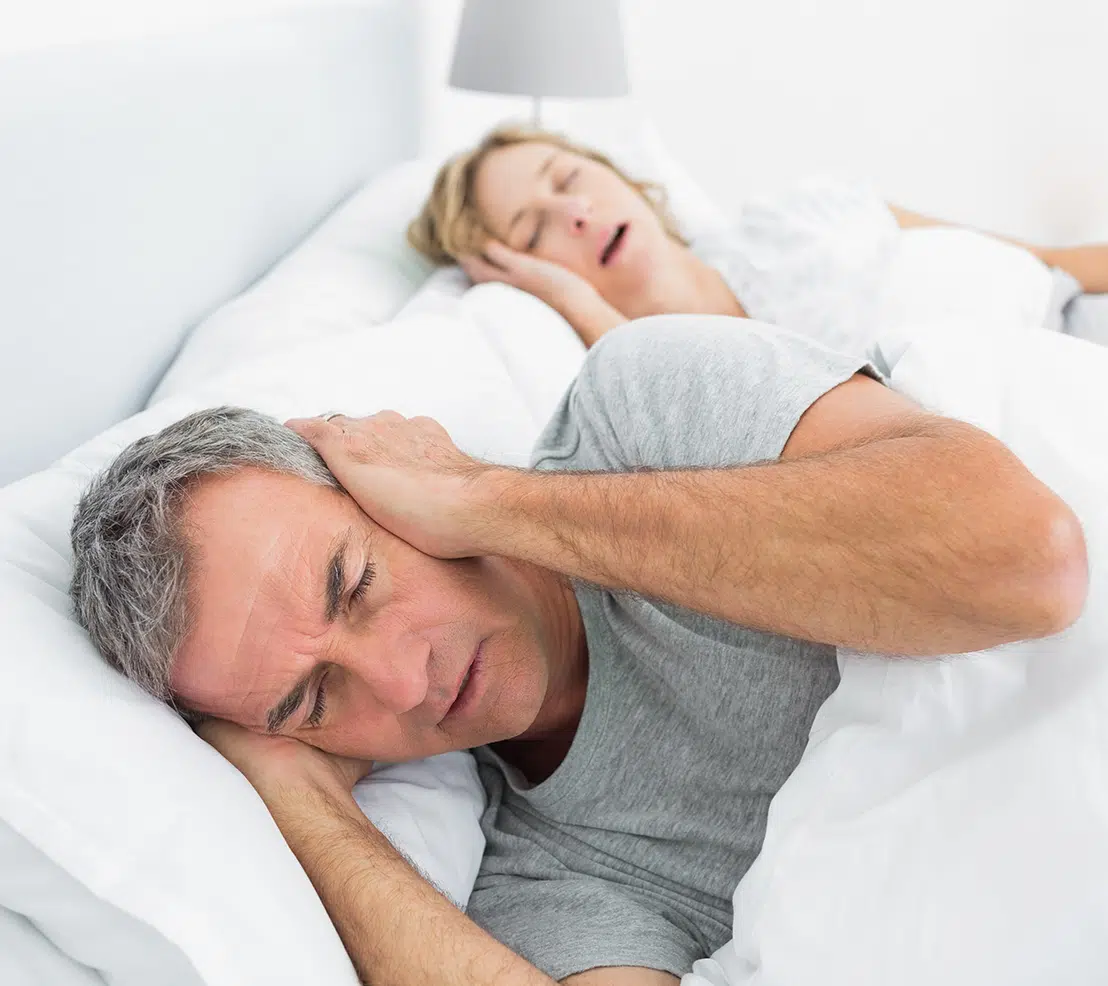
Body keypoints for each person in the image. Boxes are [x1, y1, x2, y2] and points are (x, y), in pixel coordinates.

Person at [71, 317, 1088, 986]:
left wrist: (486, 498)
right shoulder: (550, 883)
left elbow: (1026, 565)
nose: (400, 677)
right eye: (313, 698)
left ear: (380, 484)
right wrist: (295, 795)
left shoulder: (644, 407)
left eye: (357, 582)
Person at [407, 125, 1108, 353]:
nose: (576, 214)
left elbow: (1052, 260)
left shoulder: (799, 212)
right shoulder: (661, 382)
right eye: (534, 230)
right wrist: (580, 311)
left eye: (568, 178)